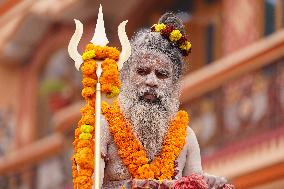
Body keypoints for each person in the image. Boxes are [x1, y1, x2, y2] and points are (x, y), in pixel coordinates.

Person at [99, 13, 227, 189]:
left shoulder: (186, 137)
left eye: (162, 74)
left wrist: (208, 184)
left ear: (174, 85)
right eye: (142, 71)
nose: (151, 81)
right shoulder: (104, 128)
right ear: (127, 77)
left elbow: (193, 183)